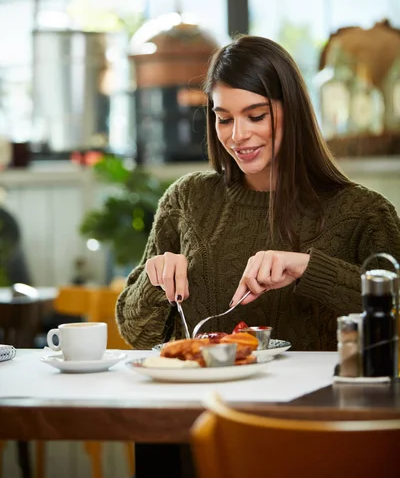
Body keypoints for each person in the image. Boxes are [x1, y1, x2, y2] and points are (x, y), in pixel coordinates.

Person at [116, 35, 400, 352]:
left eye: (256, 116)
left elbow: (395, 310)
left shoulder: (363, 213)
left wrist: (308, 268)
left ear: (292, 112)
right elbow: (137, 335)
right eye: (224, 119)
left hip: (312, 400)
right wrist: (153, 280)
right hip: (203, 400)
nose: (238, 135)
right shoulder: (187, 199)